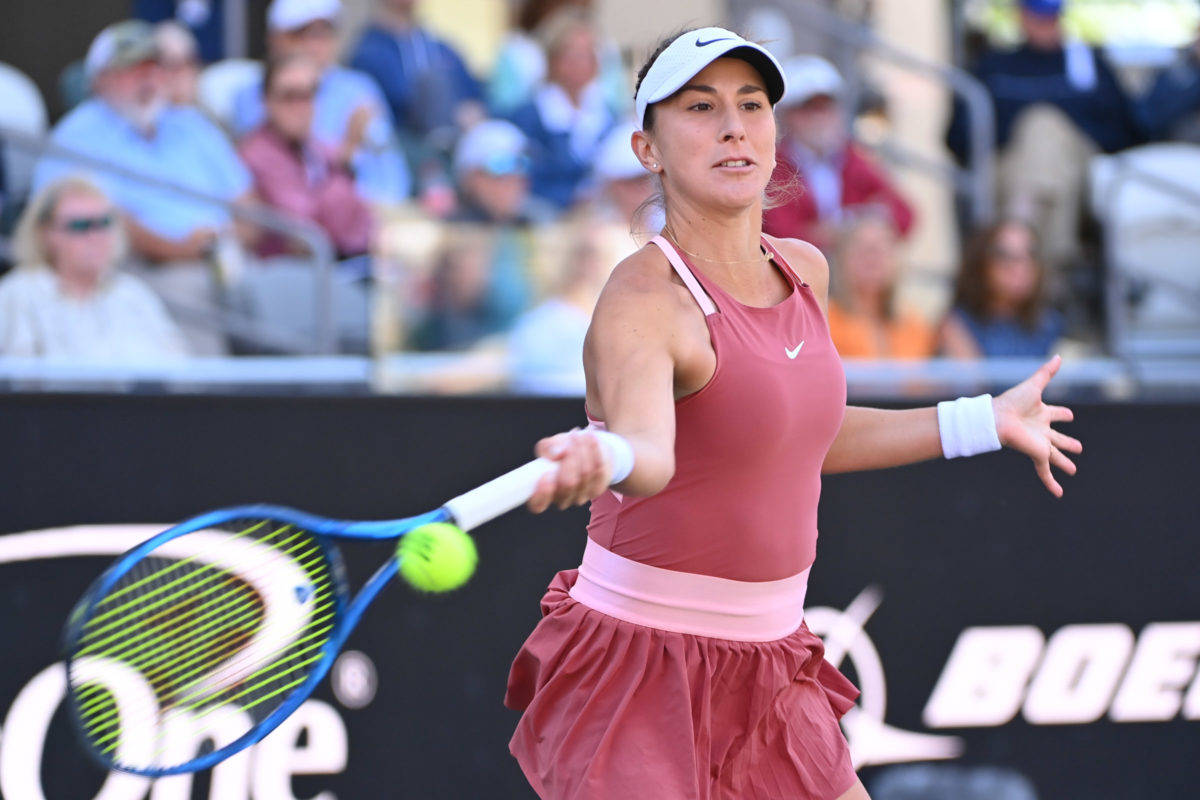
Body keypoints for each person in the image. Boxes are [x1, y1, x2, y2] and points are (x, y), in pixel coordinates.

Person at [503, 26, 1082, 800]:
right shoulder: (642, 300)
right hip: (642, 668)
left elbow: (795, 436)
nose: (734, 126)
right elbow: (650, 451)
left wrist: (981, 421)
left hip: (773, 662)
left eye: (751, 104)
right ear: (648, 149)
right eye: (700, 107)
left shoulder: (806, 268)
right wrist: (602, 457)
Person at [34, 19, 255, 354]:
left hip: (229, 256)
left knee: (283, 286)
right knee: (189, 292)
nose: (149, 79)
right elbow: (97, 223)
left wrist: (220, 245)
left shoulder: (191, 123)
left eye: (156, 68)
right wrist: (186, 249)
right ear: (100, 80)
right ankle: (207, 401)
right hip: (138, 270)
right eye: (133, 69)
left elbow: (249, 205)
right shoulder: (76, 135)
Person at [945, 0, 1140, 288]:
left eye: (1051, 16)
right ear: (1020, 15)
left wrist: (1060, 129)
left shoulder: (1088, 64)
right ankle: (1050, 280)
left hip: (1076, 171)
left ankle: (1011, 254)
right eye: (1037, 15)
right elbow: (957, 138)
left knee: (1045, 130)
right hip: (1009, 171)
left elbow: (1128, 132)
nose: (1045, 24)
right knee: (1039, 151)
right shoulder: (995, 66)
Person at [232, 0, 412, 204]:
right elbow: (281, 179)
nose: (314, 45)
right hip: (305, 221)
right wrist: (347, 150)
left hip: (371, 213)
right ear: (275, 38)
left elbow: (391, 173)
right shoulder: (256, 92)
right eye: (302, 34)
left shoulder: (359, 88)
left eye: (324, 33)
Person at [0, 176, 186, 359]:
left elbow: (179, 372)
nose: (95, 236)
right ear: (46, 233)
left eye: (104, 223)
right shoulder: (17, 295)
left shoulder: (134, 294)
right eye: (81, 225)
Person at [763, 56, 914, 253]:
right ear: (787, 115)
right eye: (808, 108)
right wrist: (853, 225)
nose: (820, 117)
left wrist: (843, 229)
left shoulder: (853, 158)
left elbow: (905, 215)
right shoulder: (774, 165)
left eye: (826, 106)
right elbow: (780, 234)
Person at [239, 55, 373, 258]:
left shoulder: (313, 145)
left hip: (343, 264)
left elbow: (364, 215)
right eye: (289, 96)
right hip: (292, 275)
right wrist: (347, 154)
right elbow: (309, 230)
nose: (300, 107)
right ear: (266, 101)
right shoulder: (257, 154)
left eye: (307, 95)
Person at [507, 10, 616, 211]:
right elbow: (523, 179)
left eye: (588, 54)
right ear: (552, 60)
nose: (581, 64)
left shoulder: (608, 115)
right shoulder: (529, 117)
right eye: (572, 55)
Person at [940, 219, 1065, 359]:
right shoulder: (958, 325)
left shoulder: (1051, 324)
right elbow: (973, 379)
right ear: (981, 264)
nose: (1020, 266)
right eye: (1005, 255)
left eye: (1030, 254)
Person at [826, 214, 936, 359]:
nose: (872, 257)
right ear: (841, 259)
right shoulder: (824, 323)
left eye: (880, 249)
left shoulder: (915, 324)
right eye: (862, 249)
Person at [154, 20, 202, 108]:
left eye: (188, 63)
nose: (182, 73)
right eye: (172, 65)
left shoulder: (210, 113)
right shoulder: (146, 117)